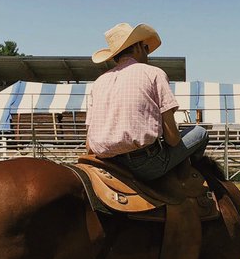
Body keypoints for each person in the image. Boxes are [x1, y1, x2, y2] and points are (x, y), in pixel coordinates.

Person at [86, 22, 208, 181]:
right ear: (137, 47)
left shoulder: (98, 83)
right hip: (144, 163)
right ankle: (185, 184)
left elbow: (88, 144)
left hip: (106, 163)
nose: (147, 53)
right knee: (200, 132)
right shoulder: (154, 74)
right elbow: (173, 139)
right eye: (146, 48)